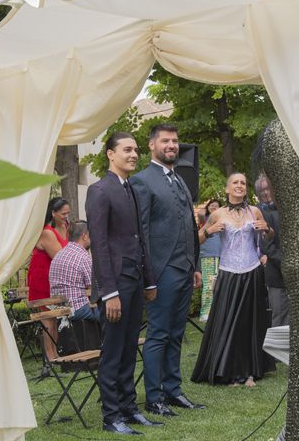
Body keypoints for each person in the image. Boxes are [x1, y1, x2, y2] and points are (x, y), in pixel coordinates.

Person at [86, 132, 162, 436]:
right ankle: (111, 415)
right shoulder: (99, 190)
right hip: (115, 285)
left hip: (135, 281)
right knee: (114, 351)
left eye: (136, 150)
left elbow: (140, 239)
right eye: (127, 149)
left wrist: (149, 280)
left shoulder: (131, 189)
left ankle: (130, 409)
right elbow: (100, 245)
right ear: (110, 154)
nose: (134, 154)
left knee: (130, 348)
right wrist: (109, 292)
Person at [130, 124, 205, 416]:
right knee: (159, 334)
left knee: (176, 333)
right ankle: (154, 397)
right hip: (161, 270)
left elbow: (190, 225)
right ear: (152, 145)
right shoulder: (142, 181)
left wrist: (195, 266)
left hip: (185, 268)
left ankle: (173, 391)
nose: (172, 145)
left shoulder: (181, 180)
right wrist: (149, 277)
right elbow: (142, 233)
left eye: (175, 141)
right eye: (165, 141)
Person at [191, 172, 276, 386]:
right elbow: (197, 240)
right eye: (235, 183)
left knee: (250, 321)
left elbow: (270, 235)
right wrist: (209, 231)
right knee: (228, 320)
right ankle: (227, 369)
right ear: (227, 189)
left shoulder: (254, 211)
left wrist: (267, 229)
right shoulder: (217, 214)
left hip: (252, 271)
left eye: (243, 183)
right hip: (229, 272)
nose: (239, 186)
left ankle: (249, 372)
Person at [27, 197, 69, 365]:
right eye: (63, 213)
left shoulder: (65, 228)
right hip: (42, 277)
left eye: (69, 213)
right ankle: (50, 357)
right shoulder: (47, 232)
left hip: (55, 278)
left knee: (55, 316)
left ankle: (56, 353)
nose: (67, 216)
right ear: (53, 213)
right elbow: (61, 257)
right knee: (47, 318)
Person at [254, 175, 289, 327]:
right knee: (279, 317)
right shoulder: (260, 214)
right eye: (262, 191)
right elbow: (265, 245)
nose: (266, 193)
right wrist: (285, 261)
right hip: (276, 273)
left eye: (268, 189)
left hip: (294, 273)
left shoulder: (288, 210)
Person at [49, 220, 99, 322]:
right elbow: (94, 286)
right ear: (85, 236)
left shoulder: (60, 254)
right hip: (77, 309)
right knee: (110, 312)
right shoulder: (83, 256)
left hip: (59, 311)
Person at [198, 199, 222, 321]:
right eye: (211, 206)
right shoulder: (205, 219)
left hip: (221, 256)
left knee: (219, 286)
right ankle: (205, 313)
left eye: (216, 206)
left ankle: (216, 312)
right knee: (209, 285)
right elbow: (200, 214)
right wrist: (207, 211)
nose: (214, 207)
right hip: (207, 256)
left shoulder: (222, 221)